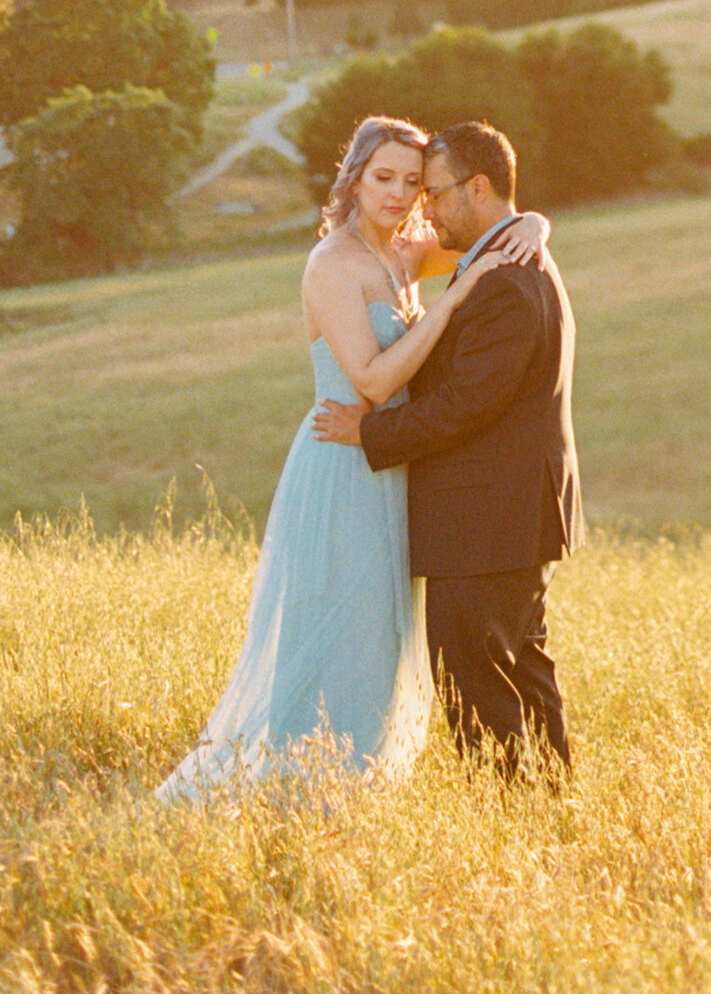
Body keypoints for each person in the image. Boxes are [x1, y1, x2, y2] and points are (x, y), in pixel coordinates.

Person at [158, 114, 545, 798]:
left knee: (386, 643)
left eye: (414, 183)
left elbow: (492, 235)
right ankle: (293, 786)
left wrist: (537, 224)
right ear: (355, 179)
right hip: (344, 461)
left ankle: (353, 787)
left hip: (396, 467)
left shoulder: (403, 253)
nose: (399, 196)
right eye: (384, 179)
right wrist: (450, 304)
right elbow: (371, 381)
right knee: (340, 630)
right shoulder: (331, 264)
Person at [310, 116, 582, 775]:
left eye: (431, 191)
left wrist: (367, 431)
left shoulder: (504, 281)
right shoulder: (505, 259)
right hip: (503, 517)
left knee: (473, 676)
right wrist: (533, 221)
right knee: (520, 666)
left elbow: (464, 406)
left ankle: (507, 810)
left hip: (489, 520)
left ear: (477, 188)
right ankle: (546, 802)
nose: (421, 207)